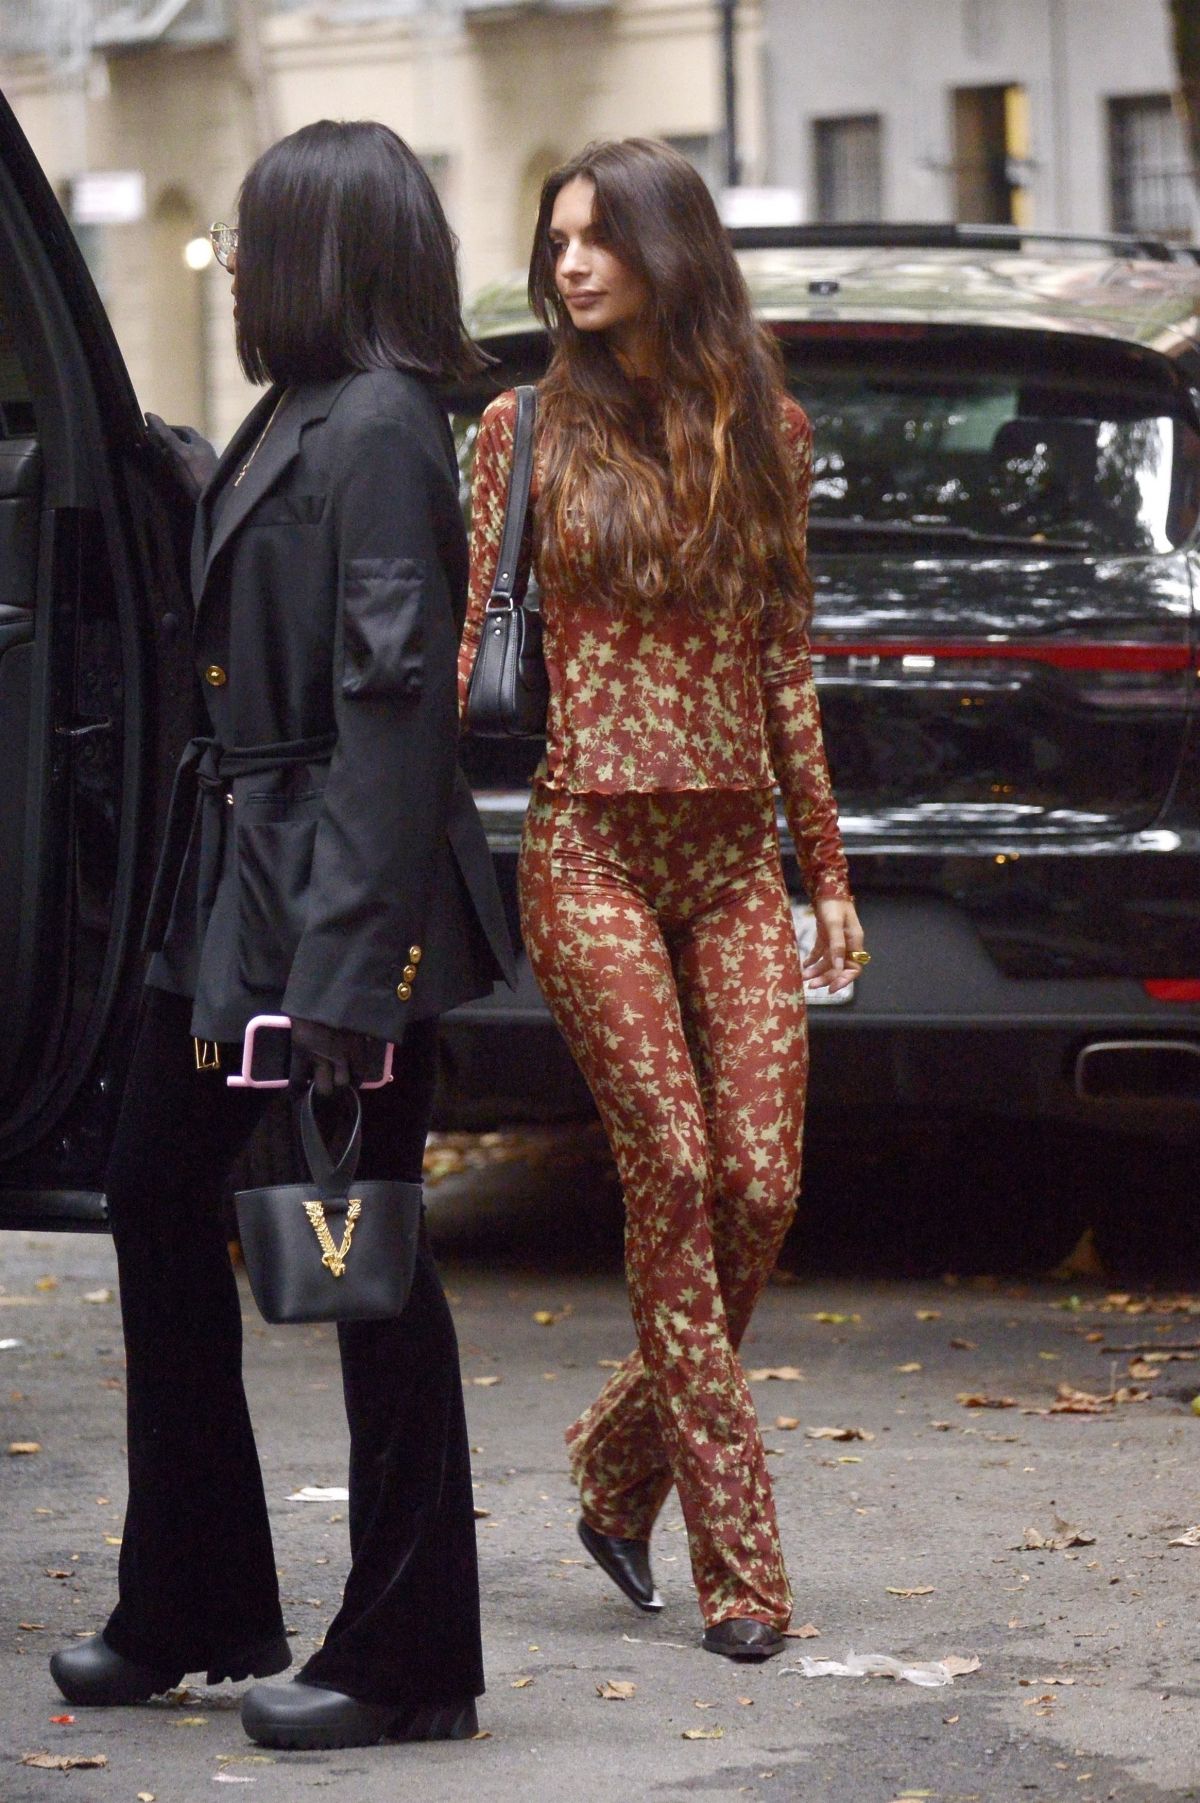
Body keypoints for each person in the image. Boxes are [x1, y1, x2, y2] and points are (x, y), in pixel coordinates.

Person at [50, 119, 514, 1750]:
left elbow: (393, 717)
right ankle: (188, 1599)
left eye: (258, 237)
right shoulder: (299, 415)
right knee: (157, 1199)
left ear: (325, 248)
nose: (237, 264)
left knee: (370, 1275)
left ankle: (406, 1661)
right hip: (237, 890)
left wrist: (351, 979)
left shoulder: (384, 424)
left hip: (330, 905)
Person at [459, 138, 864, 1663]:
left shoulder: (766, 422)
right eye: (555, 236)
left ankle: (620, 1462)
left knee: (762, 1181)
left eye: (598, 238)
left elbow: (784, 660)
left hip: (729, 855)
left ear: (666, 251)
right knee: (676, 1170)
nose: (569, 263)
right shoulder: (520, 428)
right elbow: (464, 641)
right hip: (587, 849)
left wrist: (823, 872)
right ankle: (742, 1569)